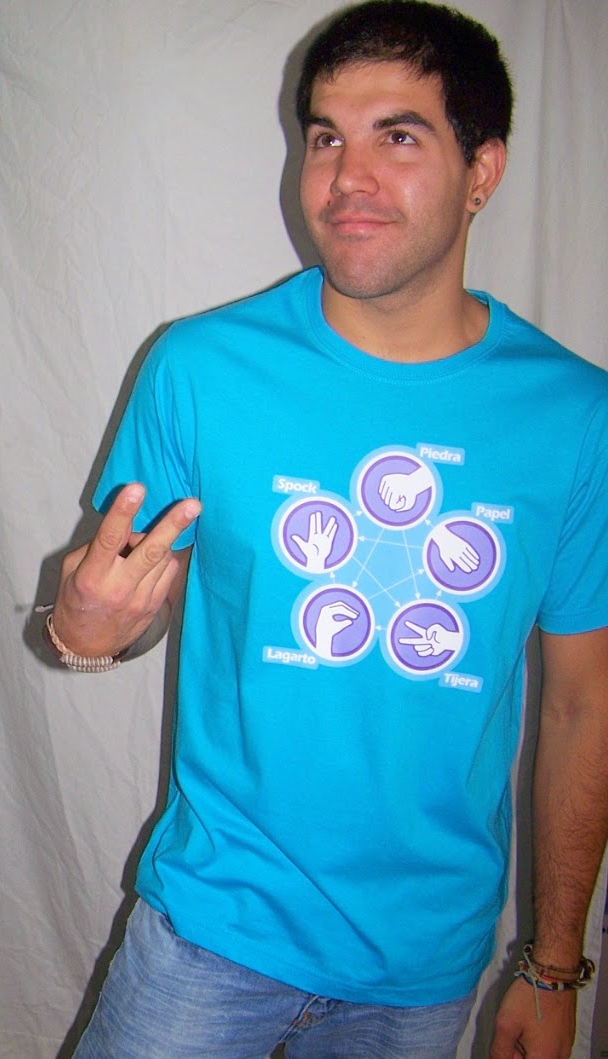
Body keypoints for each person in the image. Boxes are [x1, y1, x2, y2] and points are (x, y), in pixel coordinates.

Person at [48, 2, 608, 1056]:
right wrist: (82, 627)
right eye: (324, 138)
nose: (347, 178)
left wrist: (553, 962)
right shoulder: (201, 368)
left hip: (424, 968)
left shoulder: (579, 419)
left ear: (483, 170)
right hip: (208, 932)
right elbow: (112, 613)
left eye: (397, 136)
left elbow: (586, 704)